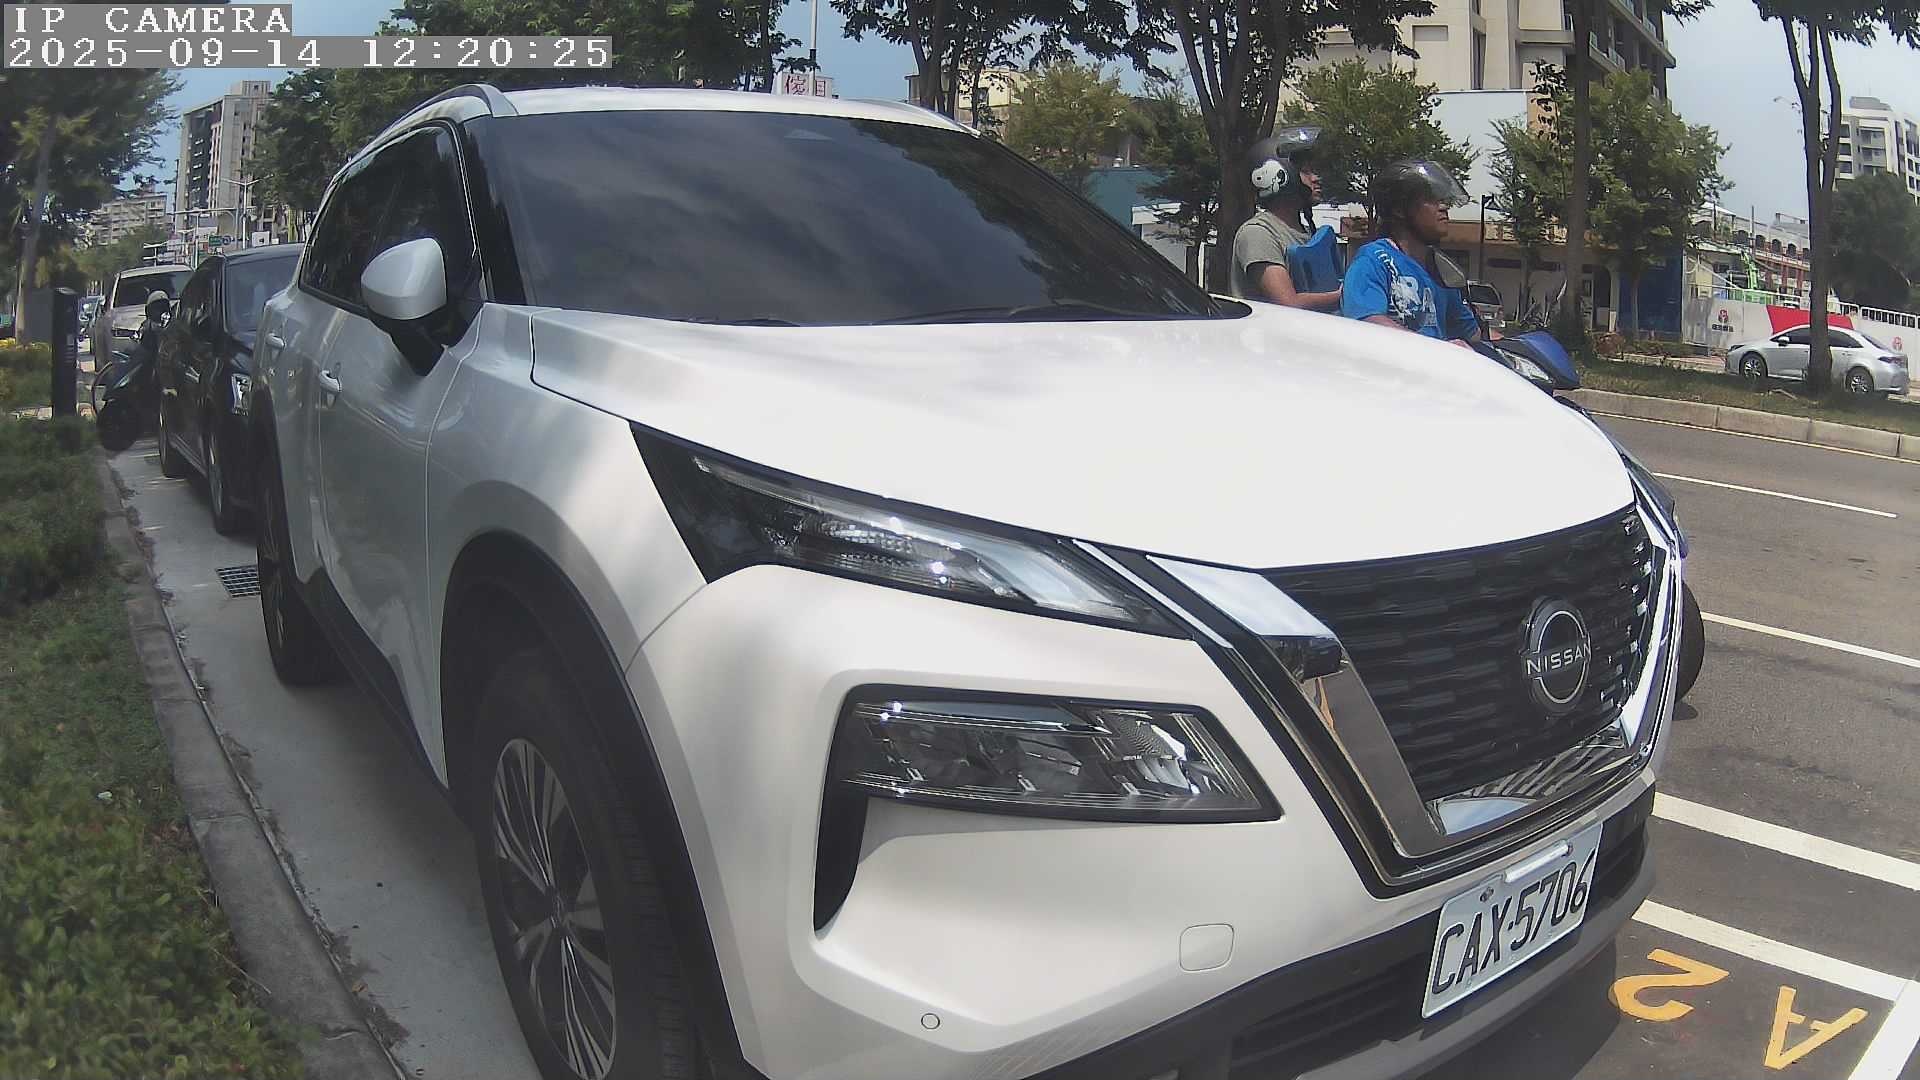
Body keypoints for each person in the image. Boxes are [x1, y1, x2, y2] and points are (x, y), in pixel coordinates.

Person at [1341, 159, 1482, 348]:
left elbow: (1473, 333)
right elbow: (1368, 322)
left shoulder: (1440, 269)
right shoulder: (1374, 260)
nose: (1443, 207)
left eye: (1442, 200)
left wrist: (1514, 345)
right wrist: (1438, 349)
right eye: (1431, 199)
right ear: (1399, 210)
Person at [1230, 127, 1342, 311]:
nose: (1316, 178)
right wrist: (1345, 295)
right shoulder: (1258, 233)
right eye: (1306, 172)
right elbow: (1288, 303)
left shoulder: (1308, 233)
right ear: (1276, 176)